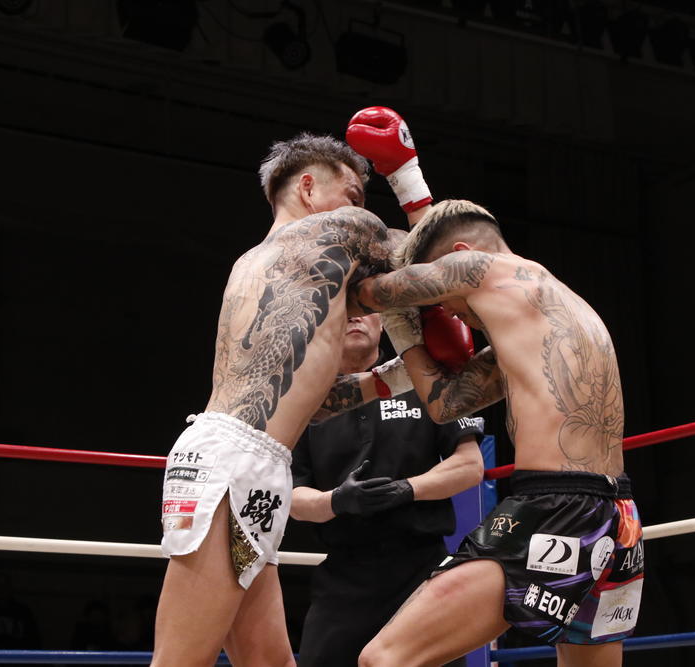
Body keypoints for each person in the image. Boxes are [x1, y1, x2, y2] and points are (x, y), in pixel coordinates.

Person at [150, 133, 416, 667]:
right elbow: (422, 255)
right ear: (309, 188)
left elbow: (301, 402)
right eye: (353, 194)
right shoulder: (340, 231)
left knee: (268, 661)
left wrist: (392, 377)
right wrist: (409, 178)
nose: (360, 209)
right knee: (180, 662)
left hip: (245, 461)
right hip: (234, 465)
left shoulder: (261, 263)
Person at [350, 199, 645, 667]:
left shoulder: (481, 268)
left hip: (554, 511)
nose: (451, 315)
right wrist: (407, 336)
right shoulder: (552, 311)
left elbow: (371, 292)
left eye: (444, 301)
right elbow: (447, 404)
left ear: (460, 256)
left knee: (383, 659)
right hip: (618, 517)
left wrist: (355, 247)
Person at [290, 311, 485, 667]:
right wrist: (336, 500)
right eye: (345, 311)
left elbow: (470, 465)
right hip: (345, 575)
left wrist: (407, 489)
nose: (355, 317)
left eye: (365, 310)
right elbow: (292, 497)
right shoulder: (305, 398)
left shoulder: (421, 379)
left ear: (383, 322)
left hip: (421, 569)